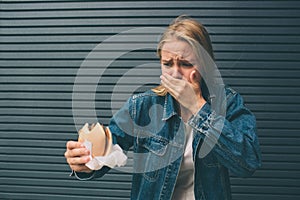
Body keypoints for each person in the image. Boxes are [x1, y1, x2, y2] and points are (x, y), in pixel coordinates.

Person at [64, 15, 261, 200]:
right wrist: (85, 162)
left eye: (185, 63)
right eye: (167, 63)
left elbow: (248, 162)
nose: (175, 73)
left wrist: (198, 107)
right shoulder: (142, 106)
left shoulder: (228, 103)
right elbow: (107, 149)